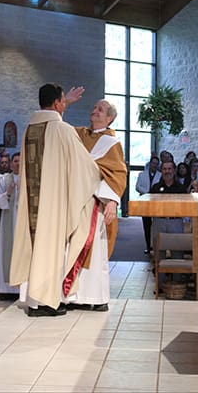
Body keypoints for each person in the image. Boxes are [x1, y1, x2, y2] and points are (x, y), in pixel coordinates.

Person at [10, 83, 101, 317]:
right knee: (51, 248)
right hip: (54, 203)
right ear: (58, 103)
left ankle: (32, 300)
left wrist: (65, 102)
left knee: (35, 246)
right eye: (63, 101)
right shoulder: (63, 130)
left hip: (33, 201)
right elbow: (85, 168)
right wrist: (101, 172)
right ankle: (46, 302)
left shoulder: (30, 129)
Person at [69, 97, 127, 311]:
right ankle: (74, 295)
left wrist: (111, 201)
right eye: (94, 107)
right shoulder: (80, 134)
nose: (95, 111)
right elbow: (57, 130)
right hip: (74, 201)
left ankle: (94, 297)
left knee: (93, 249)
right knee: (73, 247)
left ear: (109, 118)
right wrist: (64, 103)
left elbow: (118, 174)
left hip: (96, 203)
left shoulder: (112, 143)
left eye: (100, 109)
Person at [0, 153, 21, 298]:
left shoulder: (30, 179)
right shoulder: (5, 179)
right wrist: (8, 194)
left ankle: (22, 289)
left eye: (21, 161)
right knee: (7, 250)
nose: (18, 164)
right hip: (8, 220)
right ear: (11, 164)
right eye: (15, 161)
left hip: (23, 222)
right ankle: (6, 289)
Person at [135, 155, 161, 254]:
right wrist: (147, 193)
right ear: (150, 164)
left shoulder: (160, 175)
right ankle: (148, 246)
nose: (154, 165)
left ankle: (155, 246)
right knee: (146, 225)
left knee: (156, 225)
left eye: (156, 164)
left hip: (156, 202)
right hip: (145, 201)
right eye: (153, 163)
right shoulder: (142, 174)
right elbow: (137, 186)